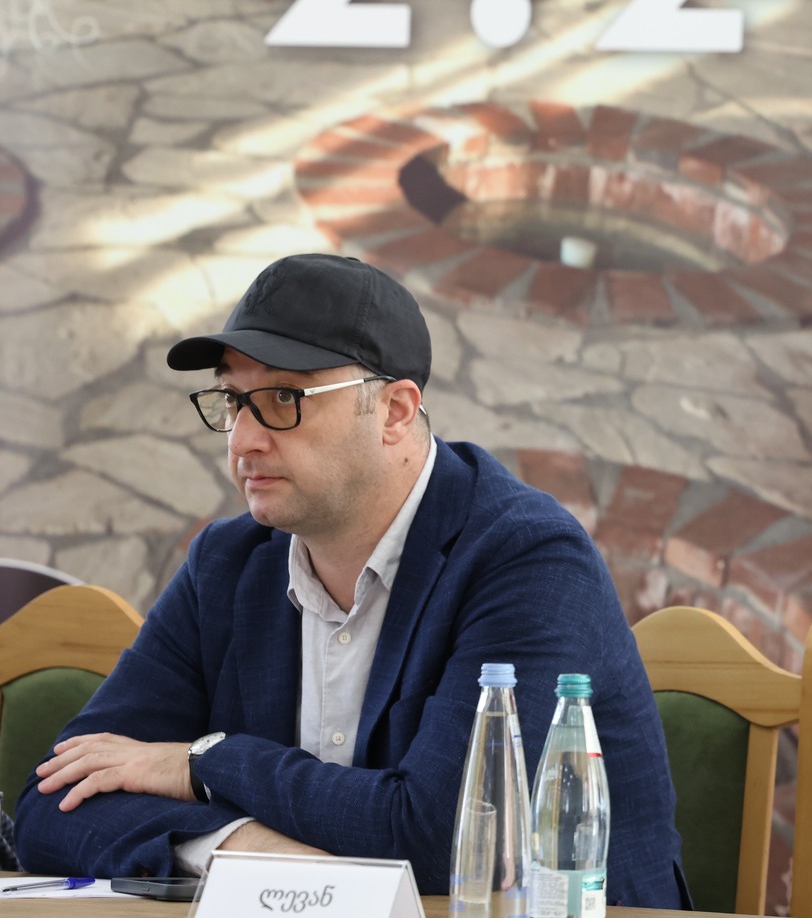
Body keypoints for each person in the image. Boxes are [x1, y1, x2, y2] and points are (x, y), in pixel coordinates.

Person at [13, 253, 689, 908]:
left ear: (395, 411)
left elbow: (446, 841)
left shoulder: (526, 556)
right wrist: (248, 849)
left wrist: (205, 763)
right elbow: (54, 802)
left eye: (283, 398)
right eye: (233, 400)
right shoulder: (226, 564)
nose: (242, 440)